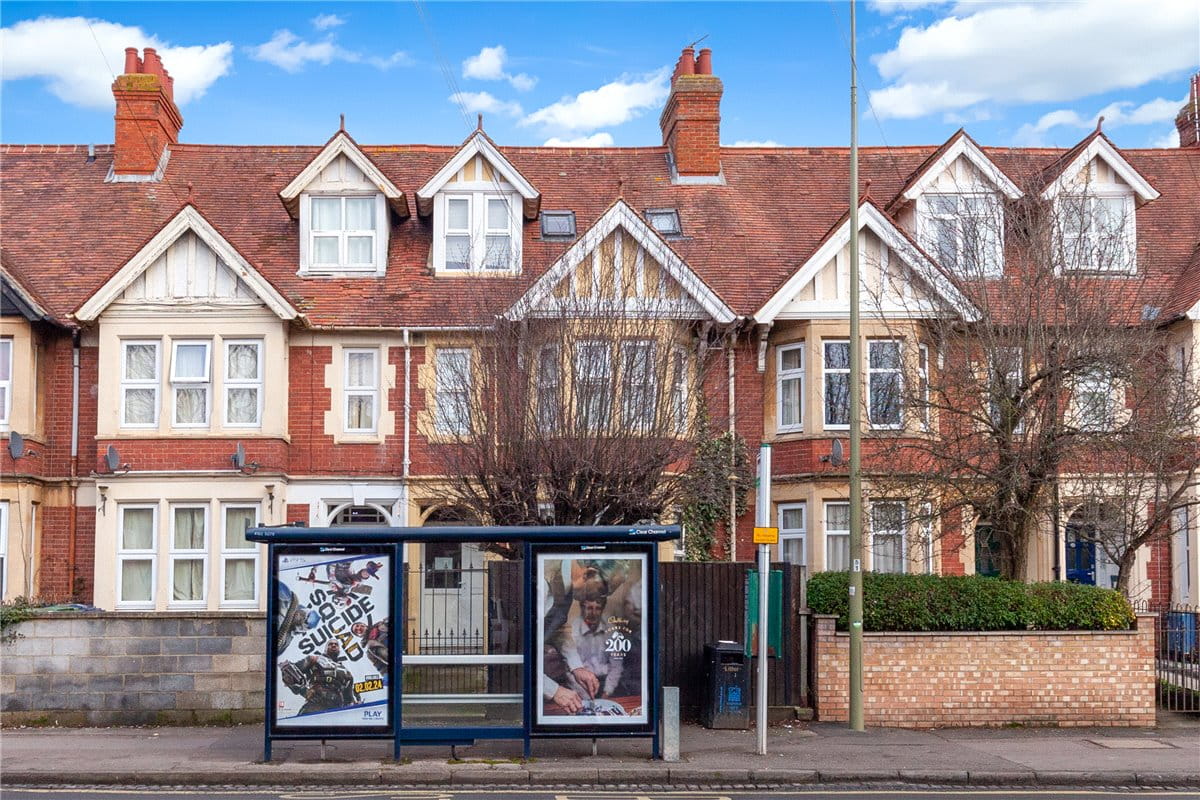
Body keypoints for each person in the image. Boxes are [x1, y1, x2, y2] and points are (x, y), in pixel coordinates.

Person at [541, 559, 601, 713]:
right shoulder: (541, 583)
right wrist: (554, 691)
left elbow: (558, 627)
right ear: (588, 573)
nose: (592, 598)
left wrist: (577, 667)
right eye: (598, 590)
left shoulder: (567, 583)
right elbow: (522, 648)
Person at [569, 588, 625, 699]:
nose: (593, 613)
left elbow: (616, 666)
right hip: (580, 685)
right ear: (582, 608)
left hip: (607, 684)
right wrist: (587, 698)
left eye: (598, 608)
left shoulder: (611, 629)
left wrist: (607, 693)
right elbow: (570, 671)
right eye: (589, 608)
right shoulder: (572, 631)